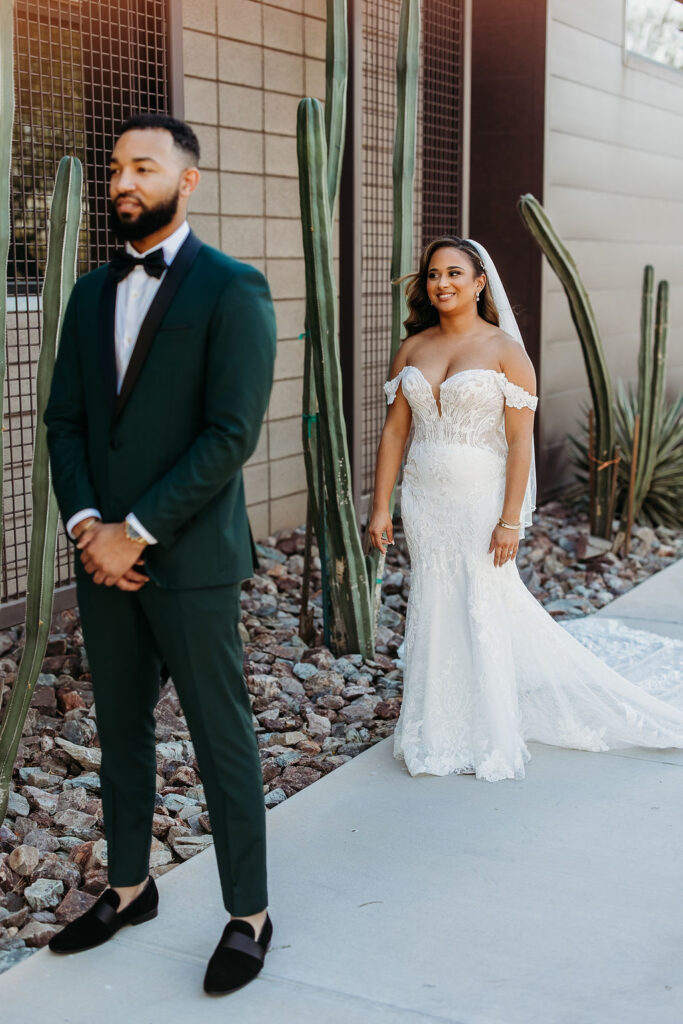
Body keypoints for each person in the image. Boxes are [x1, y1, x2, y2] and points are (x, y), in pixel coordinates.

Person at [44, 113, 276, 995]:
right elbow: (65, 420)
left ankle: (248, 911)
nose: (122, 181)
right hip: (100, 555)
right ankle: (129, 886)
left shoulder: (233, 289)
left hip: (190, 558)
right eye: (115, 168)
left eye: (143, 166)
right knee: (120, 730)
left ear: (189, 181)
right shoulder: (88, 294)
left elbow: (230, 433)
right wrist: (86, 526)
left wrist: (132, 530)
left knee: (223, 740)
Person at [368, 236, 683, 782]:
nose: (442, 284)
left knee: (482, 602)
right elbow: (395, 431)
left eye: (454, 274)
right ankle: (434, 726)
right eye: (434, 274)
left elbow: (519, 443)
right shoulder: (413, 348)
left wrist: (510, 518)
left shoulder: (505, 351)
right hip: (424, 499)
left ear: (479, 282)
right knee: (435, 599)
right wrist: (380, 507)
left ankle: (490, 730)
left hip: (479, 499)